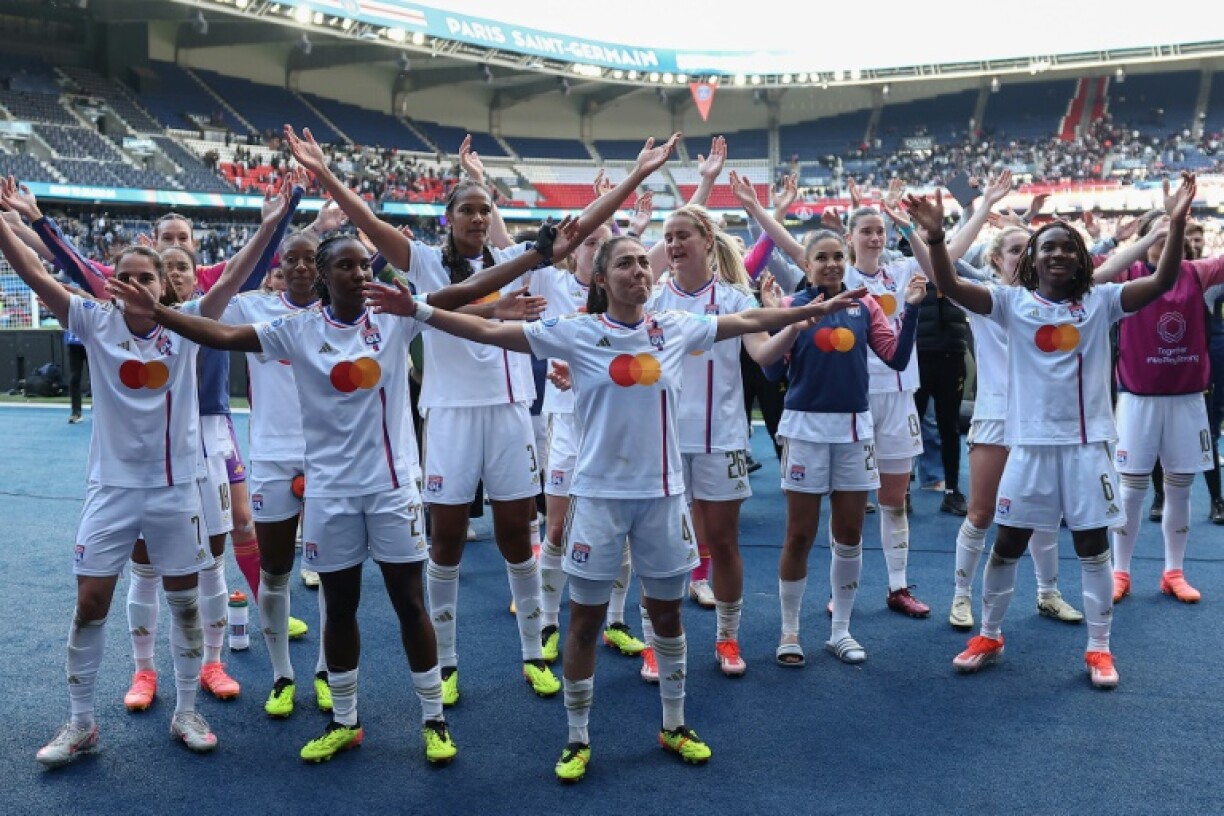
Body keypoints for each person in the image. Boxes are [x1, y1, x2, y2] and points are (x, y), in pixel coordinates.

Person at [363, 234, 865, 782]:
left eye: (639, 264)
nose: (638, 271)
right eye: (624, 264)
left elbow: (745, 323)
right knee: (584, 623)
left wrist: (812, 308)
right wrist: (415, 308)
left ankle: (674, 724)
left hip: (663, 498)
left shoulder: (673, 327)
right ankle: (578, 737)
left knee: (668, 616)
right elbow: (488, 329)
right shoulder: (578, 333)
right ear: (602, 279)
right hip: (598, 501)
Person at [285, 125, 676, 706]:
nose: (475, 216)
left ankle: (531, 650)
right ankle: (445, 662)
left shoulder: (524, 260)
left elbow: (586, 226)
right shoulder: (420, 260)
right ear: (448, 219)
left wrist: (638, 174)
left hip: (510, 413)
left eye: (483, 208)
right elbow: (367, 222)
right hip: (447, 415)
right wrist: (324, 173)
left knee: (518, 534)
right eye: (465, 209)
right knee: (445, 542)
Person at [910, 172, 1195, 689]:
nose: (1058, 255)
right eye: (1048, 248)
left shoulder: (1103, 300)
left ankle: (1099, 649)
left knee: (1091, 546)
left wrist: (1172, 225)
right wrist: (934, 237)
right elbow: (948, 286)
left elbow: (1160, 281)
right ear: (1032, 261)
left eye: (1068, 248)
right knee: (1009, 542)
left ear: (1081, 260)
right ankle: (990, 635)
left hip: (1087, 450)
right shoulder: (1009, 302)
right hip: (1029, 449)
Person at [4, 228, 218, 766]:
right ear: (113, 284)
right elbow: (33, 272)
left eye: (147, 276)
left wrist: (271, 223)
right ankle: (81, 723)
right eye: (125, 276)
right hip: (111, 489)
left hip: (175, 490)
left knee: (185, 605)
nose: (136, 284)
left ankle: (187, 711)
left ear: (165, 286)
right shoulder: (93, 321)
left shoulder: (187, 325)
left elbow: (238, 275)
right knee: (90, 603)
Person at [753, 226, 923, 667]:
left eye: (836, 257)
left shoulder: (864, 303)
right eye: (821, 257)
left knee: (849, 535)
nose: (830, 264)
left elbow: (896, 358)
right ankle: (790, 632)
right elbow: (771, 375)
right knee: (800, 535)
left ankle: (840, 631)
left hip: (855, 432)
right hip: (805, 432)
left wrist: (914, 312)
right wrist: (789, 322)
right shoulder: (790, 304)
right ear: (806, 265)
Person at [945, 226, 1083, 630]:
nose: (1023, 257)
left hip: (1039, 424)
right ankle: (960, 597)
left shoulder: (1056, 303)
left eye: (1029, 249)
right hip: (994, 420)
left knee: (1043, 515)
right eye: (1015, 250)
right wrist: (981, 207)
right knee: (982, 513)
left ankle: (1048, 593)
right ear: (995, 260)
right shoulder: (986, 300)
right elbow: (943, 267)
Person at [1100, 203, 1224, 605]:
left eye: (1177, 232)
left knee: (1181, 489)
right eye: (1161, 232)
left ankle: (1174, 571)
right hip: (1138, 400)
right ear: (1145, 240)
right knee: (1131, 490)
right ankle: (1120, 571)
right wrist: (1117, 240)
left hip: (1187, 400)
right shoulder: (1126, 274)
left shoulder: (1198, 273)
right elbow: (1087, 265)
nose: (1169, 238)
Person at [64, 327, 86, 423]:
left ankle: (100, 408)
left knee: (96, 377)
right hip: (74, 342)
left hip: (92, 340)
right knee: (74, 377)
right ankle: (76, 412)